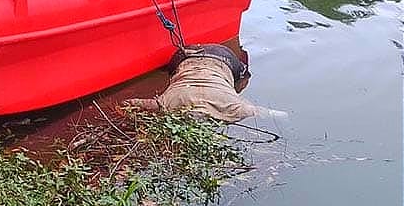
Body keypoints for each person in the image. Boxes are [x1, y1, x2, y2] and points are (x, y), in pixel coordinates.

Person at [122, 44, 287, 123]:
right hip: (186, 56)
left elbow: (262, 112)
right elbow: (135, 103)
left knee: (242, 77)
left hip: (222, 58)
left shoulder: (233, 106)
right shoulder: (171, 102)